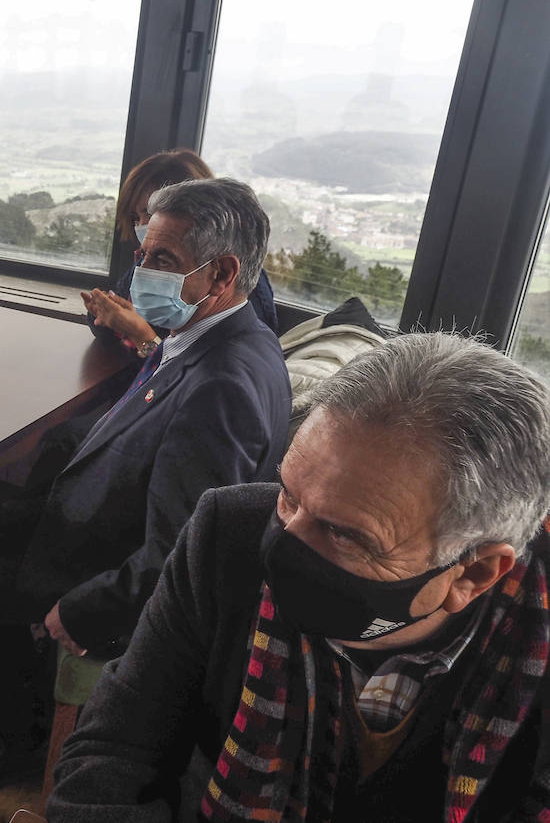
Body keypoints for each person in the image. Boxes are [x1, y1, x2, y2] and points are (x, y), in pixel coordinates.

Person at [49, 333, 550, 822]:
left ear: (475, 573)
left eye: (344, 534)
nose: (282, 546)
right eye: (288, 495)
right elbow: (115, 748)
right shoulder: (228, 535)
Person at [0, 177, 291, 794]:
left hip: (102, 567)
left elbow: (180, 553)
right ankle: (17, 676)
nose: (140, 271)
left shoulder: (224, 387)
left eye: (162, 261)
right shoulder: (223, 333)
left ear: (222, 273)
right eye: (143, 253)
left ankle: (16, 737)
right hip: (94, 517)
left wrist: (84, 610)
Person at [83, 149, 277, 356]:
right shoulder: (150, 260)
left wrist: (142, 336)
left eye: (149, 214)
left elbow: (191, 370)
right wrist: (107, 314)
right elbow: (111, 317)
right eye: (135, 218)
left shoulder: (241, 293)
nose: (141, 225)